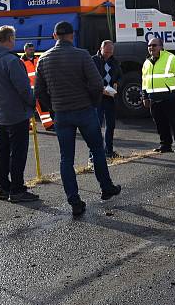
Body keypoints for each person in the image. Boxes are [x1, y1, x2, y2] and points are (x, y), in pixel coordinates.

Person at [35, 21, 121, 216]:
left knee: (66, 158)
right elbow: (96, 83)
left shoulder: (44, 59)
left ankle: (74, 200)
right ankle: (106, 187)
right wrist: (92, 102)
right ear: (72, 35)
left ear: (54, 35)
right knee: (97, 149)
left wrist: (53, 107)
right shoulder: (81, 55)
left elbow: (38, 91)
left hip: (62, 114)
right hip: (84, 110)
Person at [0, 26, 39, 203]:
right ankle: (17, 189)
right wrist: (32, 102)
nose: (15, 41)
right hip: (16, 113)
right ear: (8, 39)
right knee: (18, 153)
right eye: (13, 38)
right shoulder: (11, 61)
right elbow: (23, 88)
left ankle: (4, 187)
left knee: (3, 152)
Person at [141, 37, 175, 154]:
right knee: (160, 124)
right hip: (154, 99)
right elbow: (144, 81)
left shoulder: (170, 58)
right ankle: (165, 145)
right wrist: (145, 97)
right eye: (149, 46)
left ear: (161, 47)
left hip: (170, 98)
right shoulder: (147, 62)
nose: (151, 48)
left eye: (154, 45)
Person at [92, 40, 122, 158]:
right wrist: (101, 88)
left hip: (110, 97)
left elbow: (120, 76)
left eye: (111, 52)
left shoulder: (114, 61)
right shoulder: (93, 61)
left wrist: (117, 84)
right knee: (96, 126)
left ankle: (109, 150)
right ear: (101, 48)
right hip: (97, 97)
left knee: (110, 125)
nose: (109, 54)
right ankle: (94, 154)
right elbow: (89, 78)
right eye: (107, 52)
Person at [20, 42, 54, 130]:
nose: (32, 51)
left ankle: (48, 125)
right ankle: (29, 126)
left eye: (33, 49)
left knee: (43, 108)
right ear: (25, 50)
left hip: (38, 88)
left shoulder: (38, 59)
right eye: (30, 49)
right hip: (28, 90)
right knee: (28, 109)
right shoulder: (21, 62)